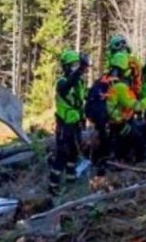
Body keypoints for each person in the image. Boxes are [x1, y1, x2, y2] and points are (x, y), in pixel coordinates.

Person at [49, 49, 90, 194]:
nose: (75, 67)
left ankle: (71, 179)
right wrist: (80, 69)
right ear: (66, 67)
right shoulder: (62, 82)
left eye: (76, 64)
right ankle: (53, 185)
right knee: (62, 154)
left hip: (76, 123)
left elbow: (85, 96)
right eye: (72, 65)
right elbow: (67, 87)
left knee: (73, 153)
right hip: (64, 125)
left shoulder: (79, 82)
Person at [105, 52, 146, 163]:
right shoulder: (120, 87)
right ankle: (141, 163)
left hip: (115, 124)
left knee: (129, 140)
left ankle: (122, 159)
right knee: (139, 141)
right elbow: (137, 106)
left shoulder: (111, 83)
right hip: (120, 124)